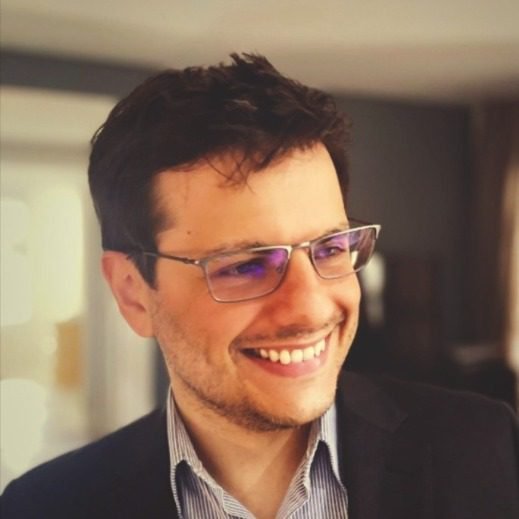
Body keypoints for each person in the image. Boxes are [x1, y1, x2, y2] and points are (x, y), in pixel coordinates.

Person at [1, 53, 518, 519]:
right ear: (134, 293)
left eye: (331, 248)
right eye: (245, 266)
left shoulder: (485, 450)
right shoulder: (44, 508)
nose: (310, 307)